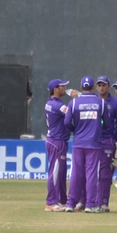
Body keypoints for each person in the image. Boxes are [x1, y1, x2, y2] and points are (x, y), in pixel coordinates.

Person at [64, 76, 105, 213]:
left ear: (81, 88)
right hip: (93, 143)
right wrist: (97, 129)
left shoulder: (74, 103)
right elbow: (108, 123)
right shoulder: (101, 103)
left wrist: (75, 131)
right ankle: (90, 204)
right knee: (92, 173)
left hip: (78, 143)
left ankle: (71, 203)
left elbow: (67, 122)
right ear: (93, 87)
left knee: (76, 173)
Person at [44, 79, 70, 212]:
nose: (65, 88)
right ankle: (51, 202)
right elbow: (71, 112)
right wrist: (76, 100)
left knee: (60, 172)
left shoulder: (51, 103)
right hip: (56, 141)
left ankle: (60, 200)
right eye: (62, 86)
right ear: (55, 89)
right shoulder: (56, 105)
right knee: (55, 171)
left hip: (55, 139)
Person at [95, 76, 117, 212]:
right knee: (90, 172)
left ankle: (103, 202)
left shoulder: (114, 103)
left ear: (108, 86)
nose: (101, 87)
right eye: (99, 85)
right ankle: (86, 201)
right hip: (92, 140)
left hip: (108, 140)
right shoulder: (93, 101)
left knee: (105, 173)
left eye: (103, 85)